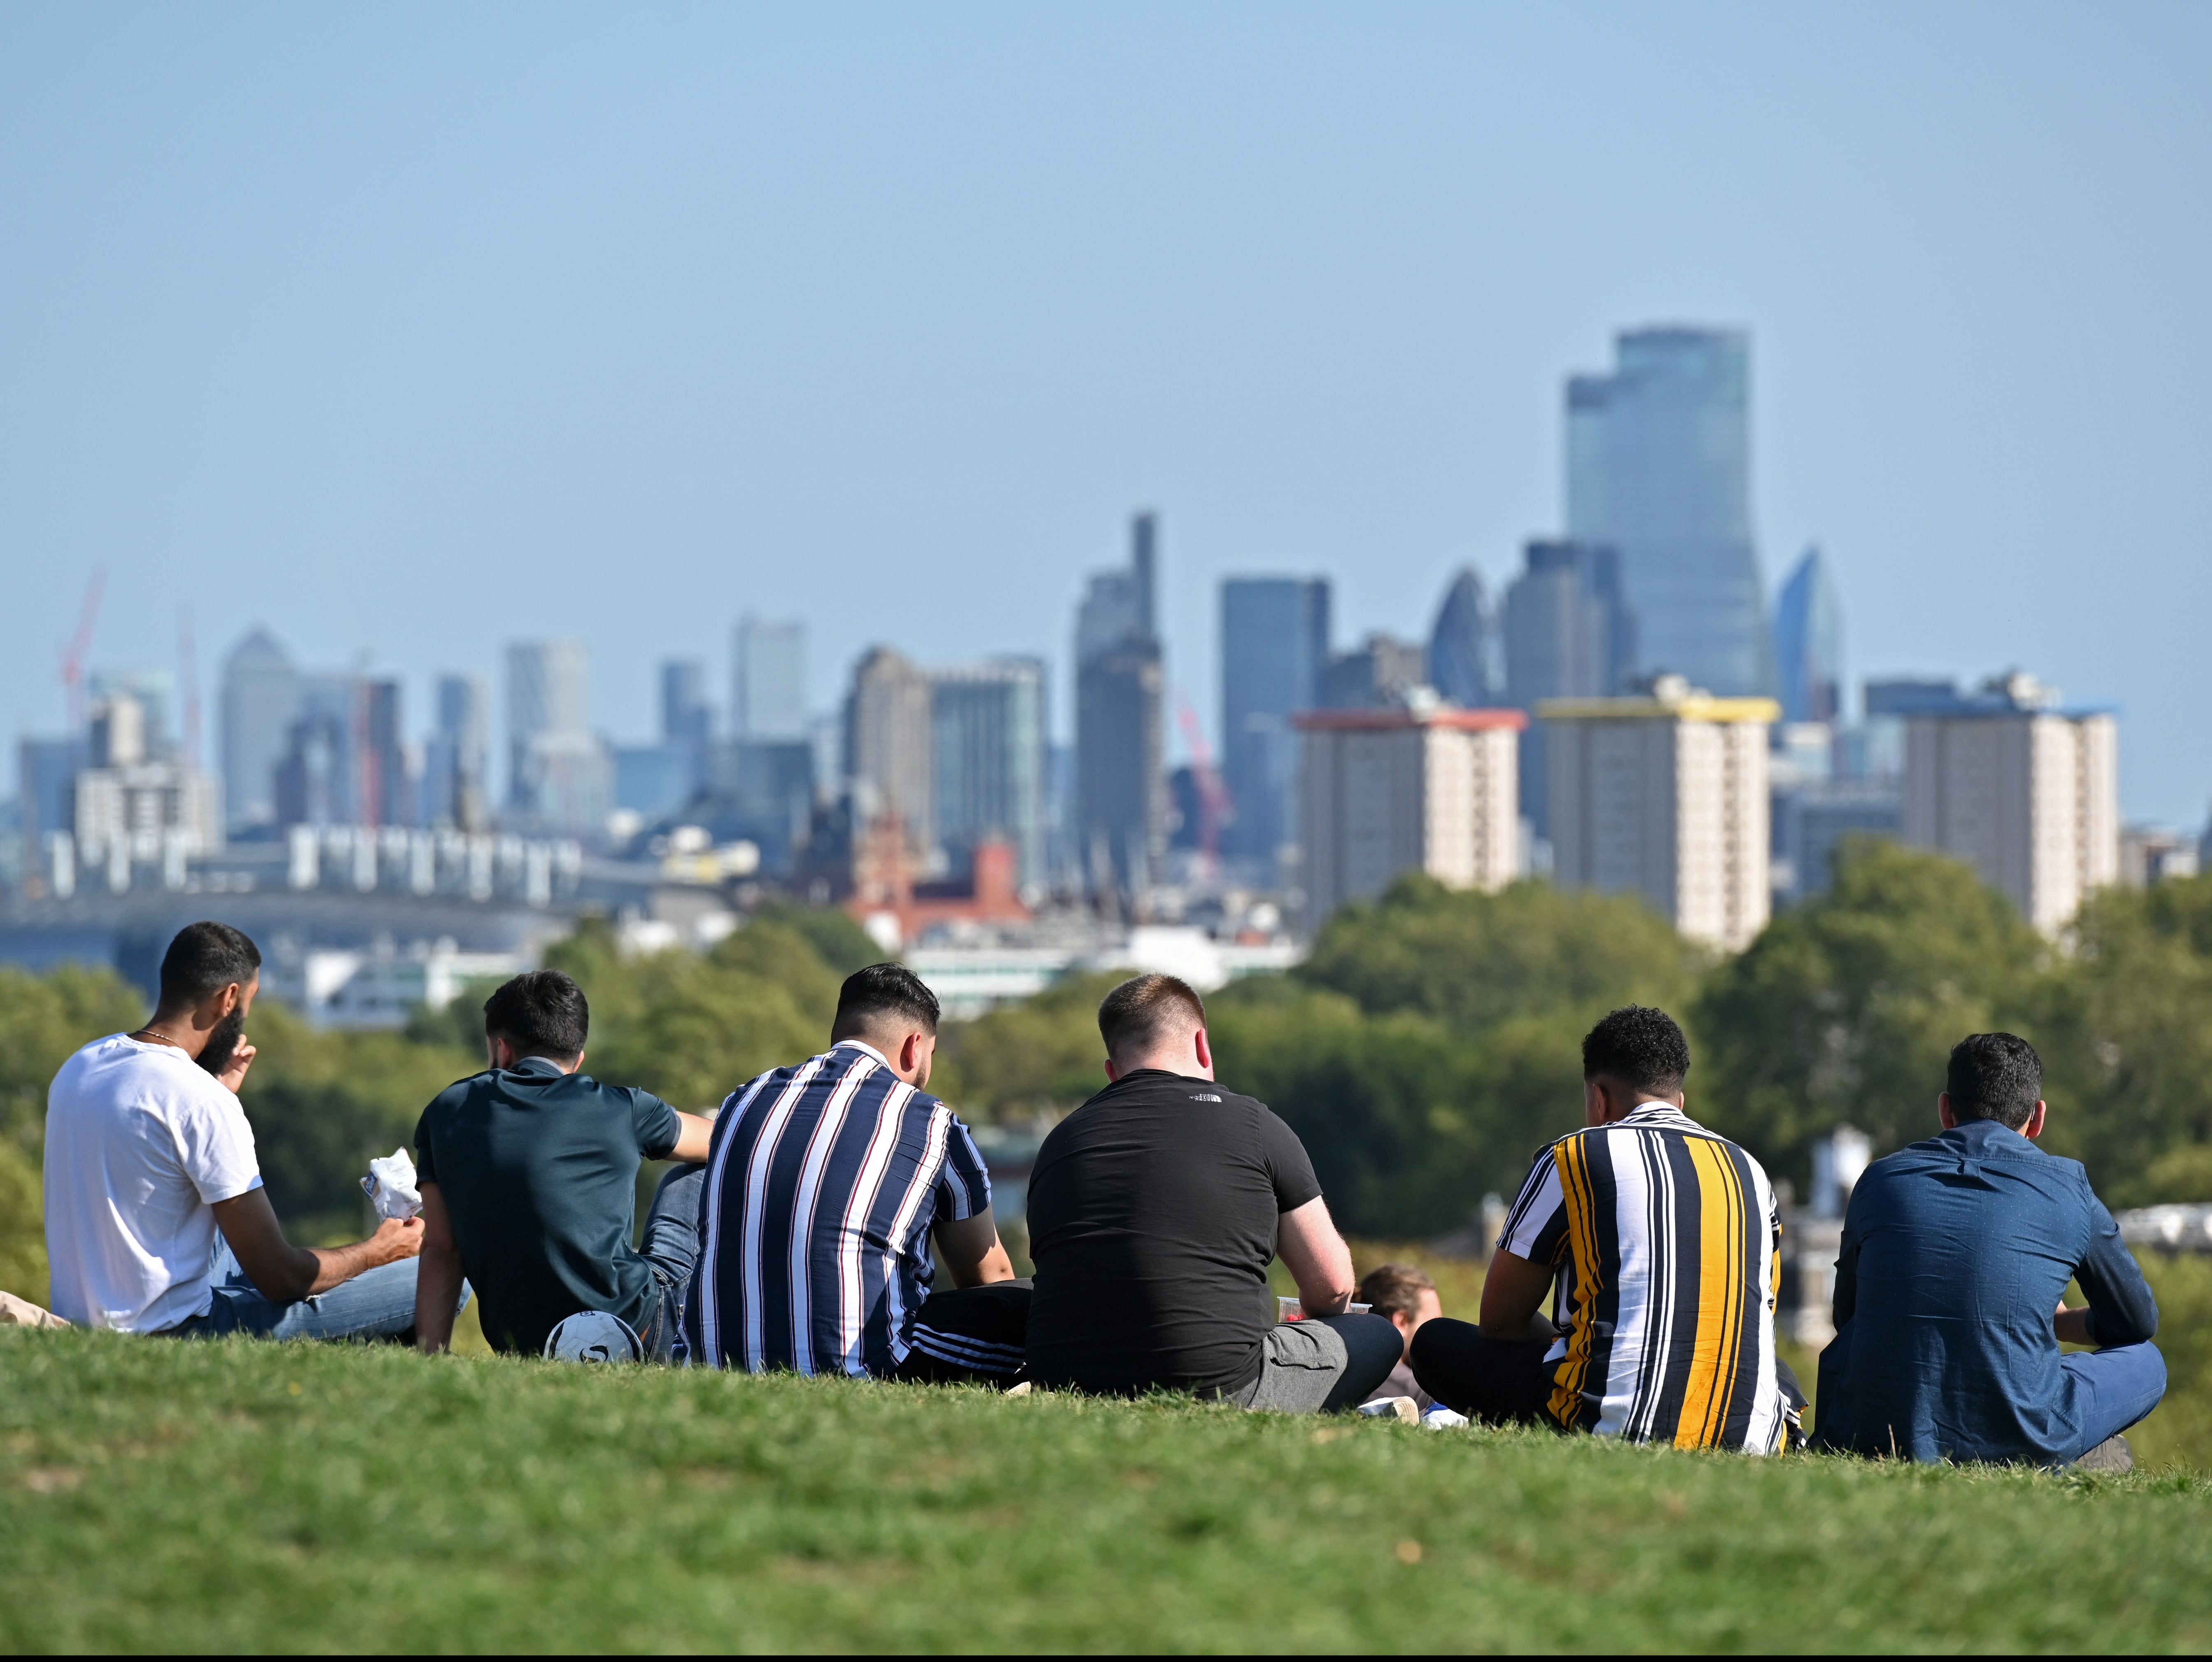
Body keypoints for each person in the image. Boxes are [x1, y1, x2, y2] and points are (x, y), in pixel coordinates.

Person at [1412, 1005, 1802, 1452]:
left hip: (1604, 1421)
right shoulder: (1750, 1171)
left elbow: (1500, 1322)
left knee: (1435, 1342)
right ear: (1680, 1100)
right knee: (1776, 1365)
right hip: (1745, 1438)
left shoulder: (1574, 1155)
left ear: (1599, 1097)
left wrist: (1573, 1339)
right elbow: (1757, 1312)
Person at [1023, 973, 1402, 1412]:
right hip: (1220, 1385)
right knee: (1378, 1333)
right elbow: (1333, 1286)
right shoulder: (1257, 1125)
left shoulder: (1060, 1140)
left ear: (1112, 1071)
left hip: (1068, 1381)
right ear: (1203, 1044)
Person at [42, 920, 431, 1339]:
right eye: (249, 1001)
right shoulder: (202, 1102)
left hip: (84, 1315)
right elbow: (280, 1277)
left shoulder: (82, 1064)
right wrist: (376, 1252)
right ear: (229, 997)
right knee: (437, 1275)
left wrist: (215, 1092)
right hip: (174, 1331)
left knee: (224, 1231)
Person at [1812, 1033, 2164, 1468]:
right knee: (2147, 1359)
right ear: (2037, 1118)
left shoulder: (1881, 1178)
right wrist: (2053, 1324)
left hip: (1870, 1427)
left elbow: (1848, 1316)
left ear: (1946, 1110)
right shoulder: (2069, 1186)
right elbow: (2136, 1322)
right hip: (2022, 1432)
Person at [685, 963, 1027, 1383]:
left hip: (716, 1362)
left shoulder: (743, 1100)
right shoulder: (932, 1121)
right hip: (867, 1369)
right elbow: (989, 1276)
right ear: (914, 1047)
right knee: (1034, 1303)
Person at [413, 969, 713, 1359]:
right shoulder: (623, 1108)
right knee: (694, 1175)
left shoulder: (446, 1112)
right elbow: (726, 1141)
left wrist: (432, 1355)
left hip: (521, 1341)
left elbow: (441, 1248)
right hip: (632, 1325)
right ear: (579, 1058)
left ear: (502, 1050)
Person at [1358, 1263, 1442, 1410]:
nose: (1440, 1334)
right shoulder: (1410, 1386)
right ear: (1401, 1321)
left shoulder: (1354, 1368)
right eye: (1434, 1323)